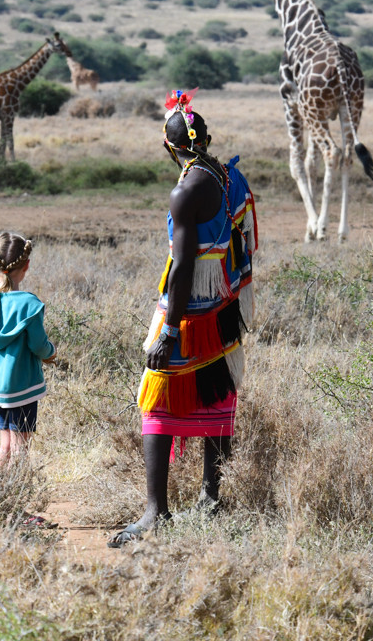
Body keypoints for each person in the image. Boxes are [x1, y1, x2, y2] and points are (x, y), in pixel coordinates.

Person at [108, 88, 258, 547]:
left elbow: (182, 267)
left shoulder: (184, 190)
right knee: (215, 394)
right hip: (224, 308)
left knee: (155, 399)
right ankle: (210, 499)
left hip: (190, 310)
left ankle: (156, 512)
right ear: (206, 139)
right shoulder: (231, 178)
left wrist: (169, 330)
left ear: (170, 147)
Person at [0, 231, 56, 466]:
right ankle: (18, 492)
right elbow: (38, 345)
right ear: (27, 265)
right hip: (23, 386)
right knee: (22, 446)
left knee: (5, 446)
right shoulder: (30, 304)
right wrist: (51, 353)